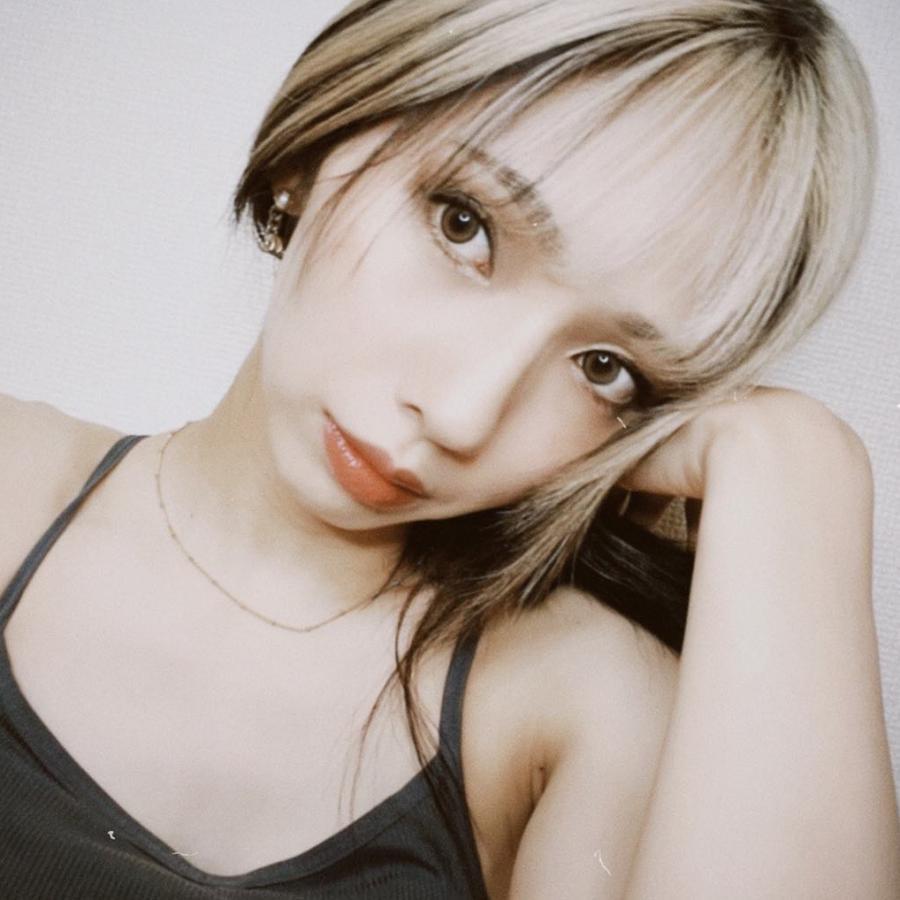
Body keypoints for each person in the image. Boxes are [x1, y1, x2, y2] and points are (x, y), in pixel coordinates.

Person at [1, 0, 898, 897]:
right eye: (463, 225)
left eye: (605, 369)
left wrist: (796, 464)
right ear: (320, 142)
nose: (462, 416)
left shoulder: (581, 709)